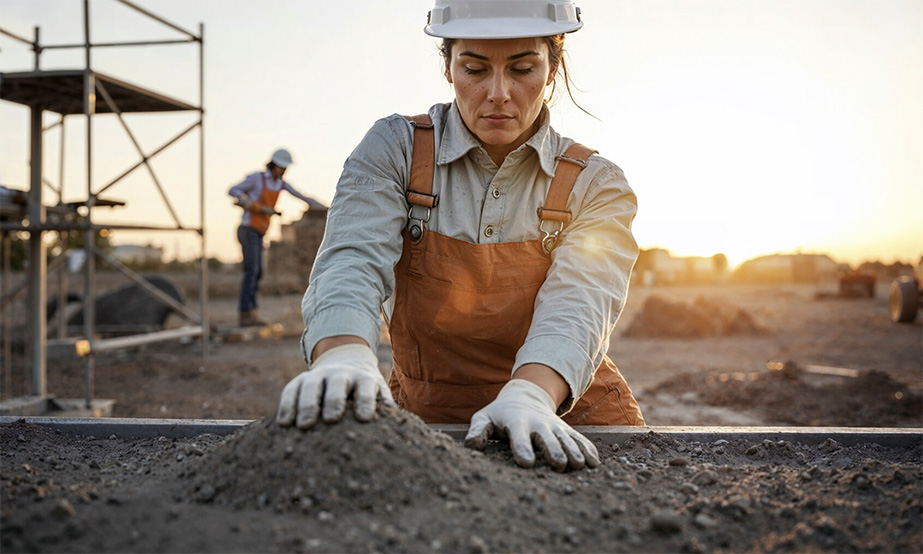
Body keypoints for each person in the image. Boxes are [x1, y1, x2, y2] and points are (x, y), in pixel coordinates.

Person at [277, 0, 645, 472]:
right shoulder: (396, 150)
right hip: (429, 414)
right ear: (447, 68)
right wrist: (343, 354)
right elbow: (352, 257)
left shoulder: (597, 183)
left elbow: (581, 301)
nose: (497, 93)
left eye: (522, 68)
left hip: (568, 414)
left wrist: (533, 394)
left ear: (553, 68)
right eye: (474, 68)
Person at [229, 148, 324, 327]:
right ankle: (245, 313)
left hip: (259, 232)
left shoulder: (280, 184)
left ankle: (251, 311)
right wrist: (246, 201)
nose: (283, 172)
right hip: (248, 229)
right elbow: (233, 190)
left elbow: (302, 196)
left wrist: (325, 206)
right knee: (252, 270)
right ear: (274, 165)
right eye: (282, 168)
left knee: (257, 272)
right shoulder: (257, 178)